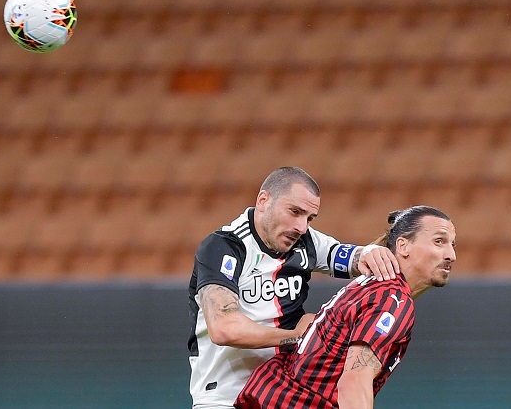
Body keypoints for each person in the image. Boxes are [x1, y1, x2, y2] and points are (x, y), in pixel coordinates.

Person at [188, 166, 400, 408]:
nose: (301, 227)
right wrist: (299, 337)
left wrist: (371, 252)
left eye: (309, 218)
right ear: (264, 201)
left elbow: (352, 256)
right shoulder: (224, 247)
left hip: (284, 397)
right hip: (225, 398)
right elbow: (224, 328)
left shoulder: (306, 241)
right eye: (295, 212)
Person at [234, 205, 457, 409]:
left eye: (452, 244)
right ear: (403, 245)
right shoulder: (393, 299)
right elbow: (353, 382)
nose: (451, 255)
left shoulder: (372, 283)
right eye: (439, 241)